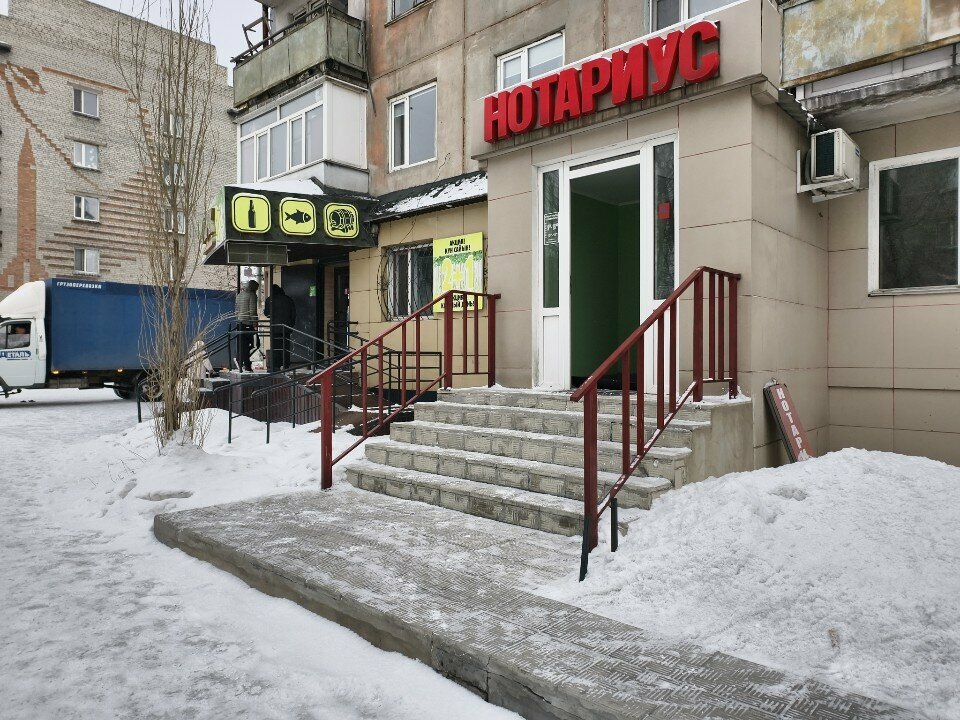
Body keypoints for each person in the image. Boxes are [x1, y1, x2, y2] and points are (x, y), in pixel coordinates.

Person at [263, 284, 296, 370]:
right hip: (286, 328)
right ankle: (286, 364)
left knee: (275, 347)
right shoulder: (288, 299)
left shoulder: (270, 299)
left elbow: (267, 313)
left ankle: (276, 365)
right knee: (285, 347)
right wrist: (291, 325)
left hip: (275, 327)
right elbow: (293, 314)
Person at [235, 279, 259, 372]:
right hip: (248, 323)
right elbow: (253, 311)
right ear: (254, 288)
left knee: (242, 345)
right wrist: (255, 324)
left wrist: (238, 319)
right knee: (253, 345)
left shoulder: (239, 295)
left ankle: (241, 362)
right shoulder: (252, 295)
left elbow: (236, 310)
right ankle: (246, 363)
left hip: (240, 323)